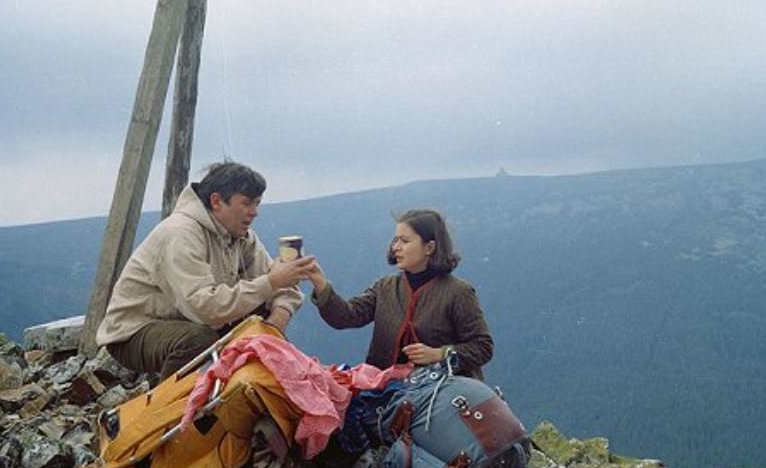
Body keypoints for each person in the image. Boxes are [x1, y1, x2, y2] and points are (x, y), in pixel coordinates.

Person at [96, 161, 314, 380]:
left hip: (190, 320)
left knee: (258, 321)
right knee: (197, 341)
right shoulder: (180, 234)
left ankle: (245, 398)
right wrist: (272, 283)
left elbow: (282, 283)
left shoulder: (240, 236)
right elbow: (205, 308)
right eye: (247, 203)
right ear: (216, 201)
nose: (254, 212)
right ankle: (172, 409)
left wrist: (277, 320)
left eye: (257, 203)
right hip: (135, 331)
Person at [306, 208, 493, 379]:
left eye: (404, 241)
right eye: (395, 240)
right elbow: (346, 317)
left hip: (443, 396)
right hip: (386, 395)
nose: (396, 247)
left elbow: (483, 347)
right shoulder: (385, 287)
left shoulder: (458, 292)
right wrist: (321, 284)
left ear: (429, 247)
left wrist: (440, 354)